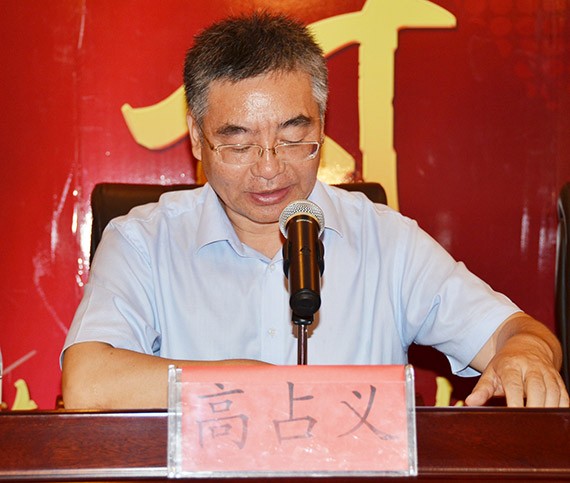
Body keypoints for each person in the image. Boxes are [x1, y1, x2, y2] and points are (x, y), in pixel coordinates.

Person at [61, 11, 569, 410]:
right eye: (238, 143)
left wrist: (526, 352)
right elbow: (88, 384)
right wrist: (259, 386)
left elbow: (517, 333)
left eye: (292, 136)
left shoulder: (385, 241)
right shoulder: (143, 242)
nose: (269, 168)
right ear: (197, 136)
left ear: (321, 124)